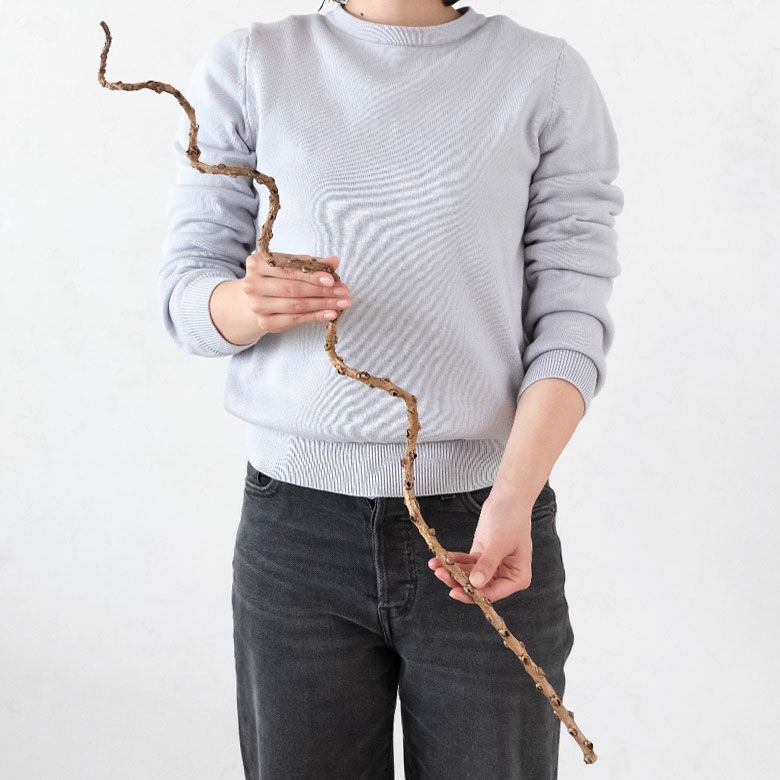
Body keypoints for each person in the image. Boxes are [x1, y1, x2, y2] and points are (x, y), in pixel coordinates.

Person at [159, 0, 623, 776]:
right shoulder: (250, 64)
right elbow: (186, 291)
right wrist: (245, 303)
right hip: (295, 533)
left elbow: (571, 325)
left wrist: (512, 496)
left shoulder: (544, 76)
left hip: (487, 526)